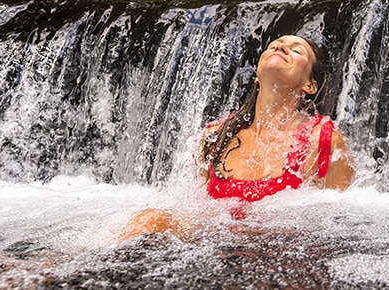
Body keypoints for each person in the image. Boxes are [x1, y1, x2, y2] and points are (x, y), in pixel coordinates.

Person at [118, 35, 354, 241]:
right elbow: (191, 205)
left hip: (281, 254)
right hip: (214, 248)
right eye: (275, 45)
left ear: (310, 85)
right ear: (257, 78)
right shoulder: (216, 137)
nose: (281, 48)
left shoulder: (323, 142)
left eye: (295, 49)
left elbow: (339, 225)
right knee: (149, 219)